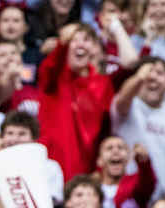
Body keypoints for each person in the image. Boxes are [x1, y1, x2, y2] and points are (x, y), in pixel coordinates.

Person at [38, 23, 115, 182]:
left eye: (86, 40)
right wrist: (61, 44)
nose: (80, 44)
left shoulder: (103, 84)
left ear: (95, 48)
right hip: (49, 172)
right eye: (74, 40)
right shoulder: (54, 75)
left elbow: (106, 131)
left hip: (84, 176)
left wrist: (99, 170)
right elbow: (50, 67)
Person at [111, 57, 165, 202]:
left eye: (159, 73)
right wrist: (139, 77)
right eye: (148, 72)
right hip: (128, 198)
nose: (152, 77)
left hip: (162, 203)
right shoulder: (129, 106)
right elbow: (123, 97)